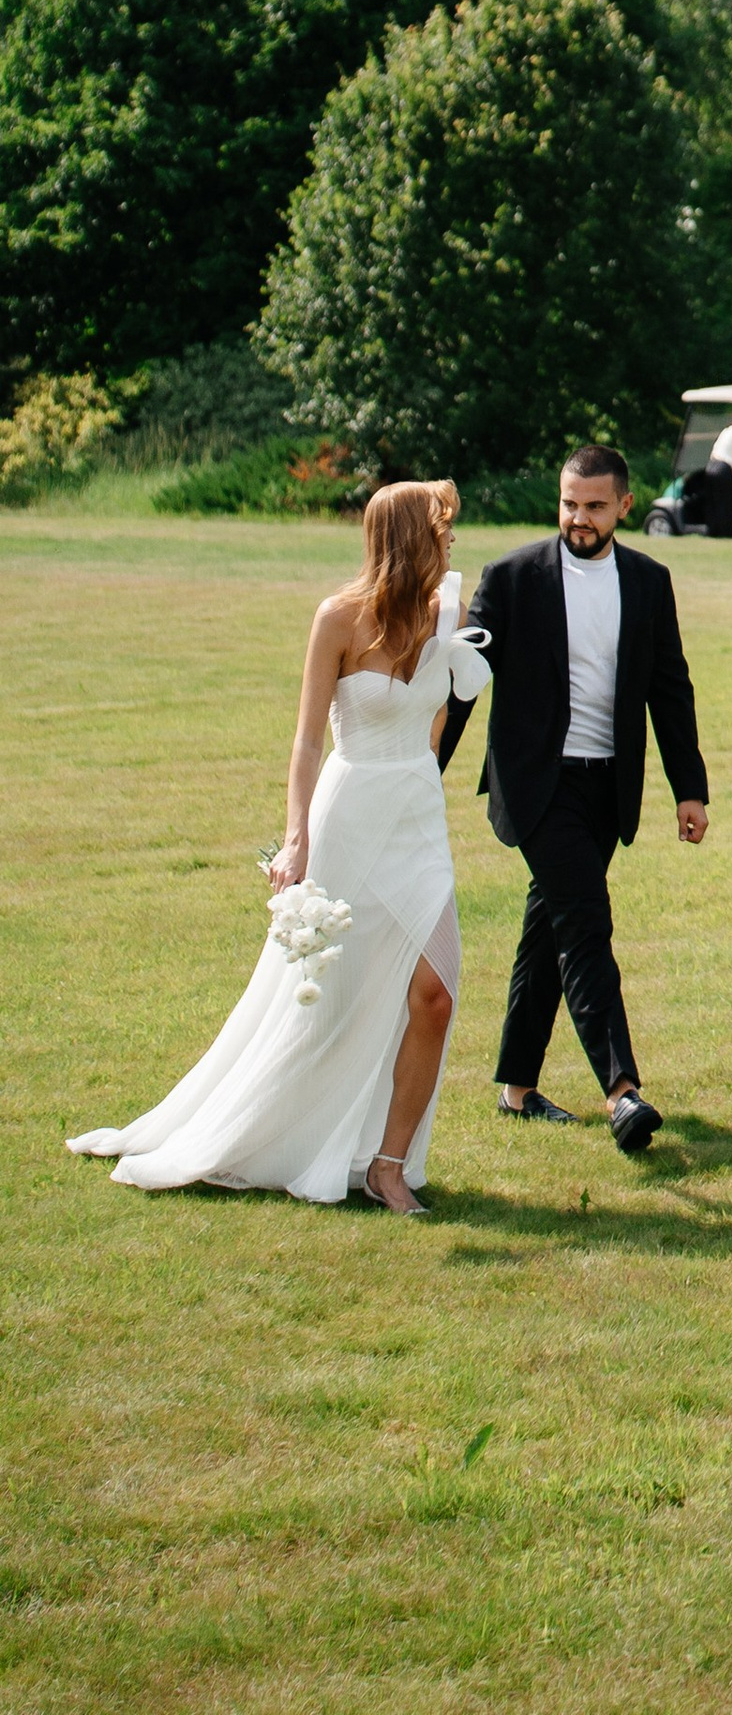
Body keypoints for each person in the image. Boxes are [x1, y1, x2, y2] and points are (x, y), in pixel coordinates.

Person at [70, 479, 487, 1214]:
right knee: (321, 999)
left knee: (435, 996)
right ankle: (268, 1131)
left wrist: (420, 773)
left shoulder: (447, 608)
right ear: (405, 537)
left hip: (417, 816)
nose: (452, 538)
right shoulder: (338, 618)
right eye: (441, 526)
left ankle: (389, 1164)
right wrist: (296, 840)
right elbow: (303, 742)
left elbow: (435, 725)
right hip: (349, 812)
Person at [441, 441, 709, 1155]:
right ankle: (622, 1092)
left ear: (624, 505)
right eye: (569, 504)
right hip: (537, 785)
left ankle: (517, 1089)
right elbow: (462, 688)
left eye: (594, 506)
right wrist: (421, 769)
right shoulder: (513, 578)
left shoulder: (649, 581)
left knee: (549, 928)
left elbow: (669, 688)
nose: (579, 518)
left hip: (607, 786)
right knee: (586, 925)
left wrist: (691, 789)